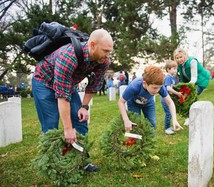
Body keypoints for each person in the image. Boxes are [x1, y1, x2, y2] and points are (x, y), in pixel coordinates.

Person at [32, 28, 114, 172]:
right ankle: (53, 165)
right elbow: (62, 97)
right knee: (50, 124)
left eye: (110, 52)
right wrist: (68, 129)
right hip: (44, 82)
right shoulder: (68, 56)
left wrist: (84, 107)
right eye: (105, 51)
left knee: (80, 119)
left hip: (67, 84)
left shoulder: (103, 61)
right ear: (93, 45)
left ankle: (82, 160)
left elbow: (93, 86)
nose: (108, 56)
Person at [118, 65, 183, 134]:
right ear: (145, 83)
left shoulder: (160, 87)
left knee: (152, 124)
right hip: (134, 104)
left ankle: (150, 142)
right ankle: (137, 142)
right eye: (154, 88)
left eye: (159, 88)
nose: (157, 90)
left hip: (148, 103)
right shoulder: (134, 86)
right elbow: (121, 102)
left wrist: (174, 119)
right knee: (136, 124)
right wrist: (126, 120)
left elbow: (170, 102)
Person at [174, 48, 210, 126]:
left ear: (185, 55)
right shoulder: (179, 66)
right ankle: (192, 116)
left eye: (181, 57)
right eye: (177, 58)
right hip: (190, 82)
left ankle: (190, 118)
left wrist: (186, 89)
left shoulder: (192, 62)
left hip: (200, 81)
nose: (179, 59)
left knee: (189, 97)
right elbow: (181, 79)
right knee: (185, 98)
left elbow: (194, 78)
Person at [161, 60, 183, 135]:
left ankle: (169, 126)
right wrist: (177, 93)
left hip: (169, 98)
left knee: (170, 112)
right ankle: (166, 128)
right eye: (173, 68)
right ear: (168, 69)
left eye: (176, 68)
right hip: (165, 98)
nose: (175, 70)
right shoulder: (168, 77)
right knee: (168, 113)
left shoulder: (173, 77)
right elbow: (168, 88)